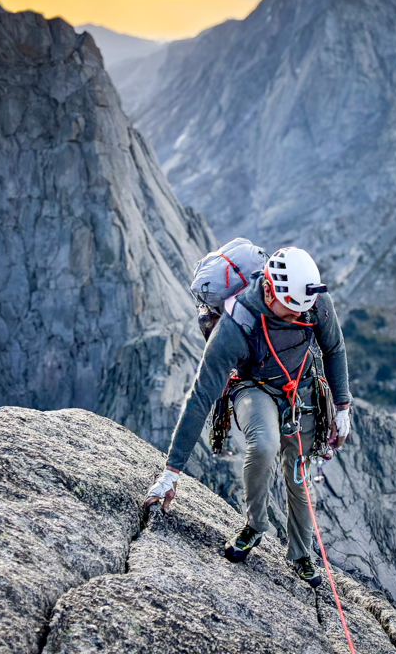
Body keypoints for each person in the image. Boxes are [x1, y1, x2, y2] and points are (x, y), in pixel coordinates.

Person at [143, 246, 352, 587]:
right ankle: (255, 525)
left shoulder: (312, 301)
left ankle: (301, 554)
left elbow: (334, 349)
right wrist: (171, 471)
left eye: (304, 311)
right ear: (269, 289)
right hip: (254, 387)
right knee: (264, 445)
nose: (300, 317)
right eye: (291, 312)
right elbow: (200, 396)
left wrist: (342, 407)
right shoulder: (236, 325)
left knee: (299, 475)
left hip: (301, 387)